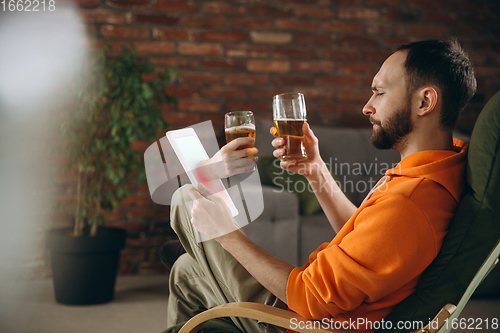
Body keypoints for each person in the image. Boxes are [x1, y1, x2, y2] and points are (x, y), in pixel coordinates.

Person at [161, 39, 477, 333]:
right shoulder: (434, 171)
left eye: (379, 92)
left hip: (302, 322)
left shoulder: (412, 200)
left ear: (424, 101)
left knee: (187, 196)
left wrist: (225, 234)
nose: (367, 107)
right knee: (186, 271)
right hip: (320, 305)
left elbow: (309, 297)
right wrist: (317, 171)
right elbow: (369, 242)